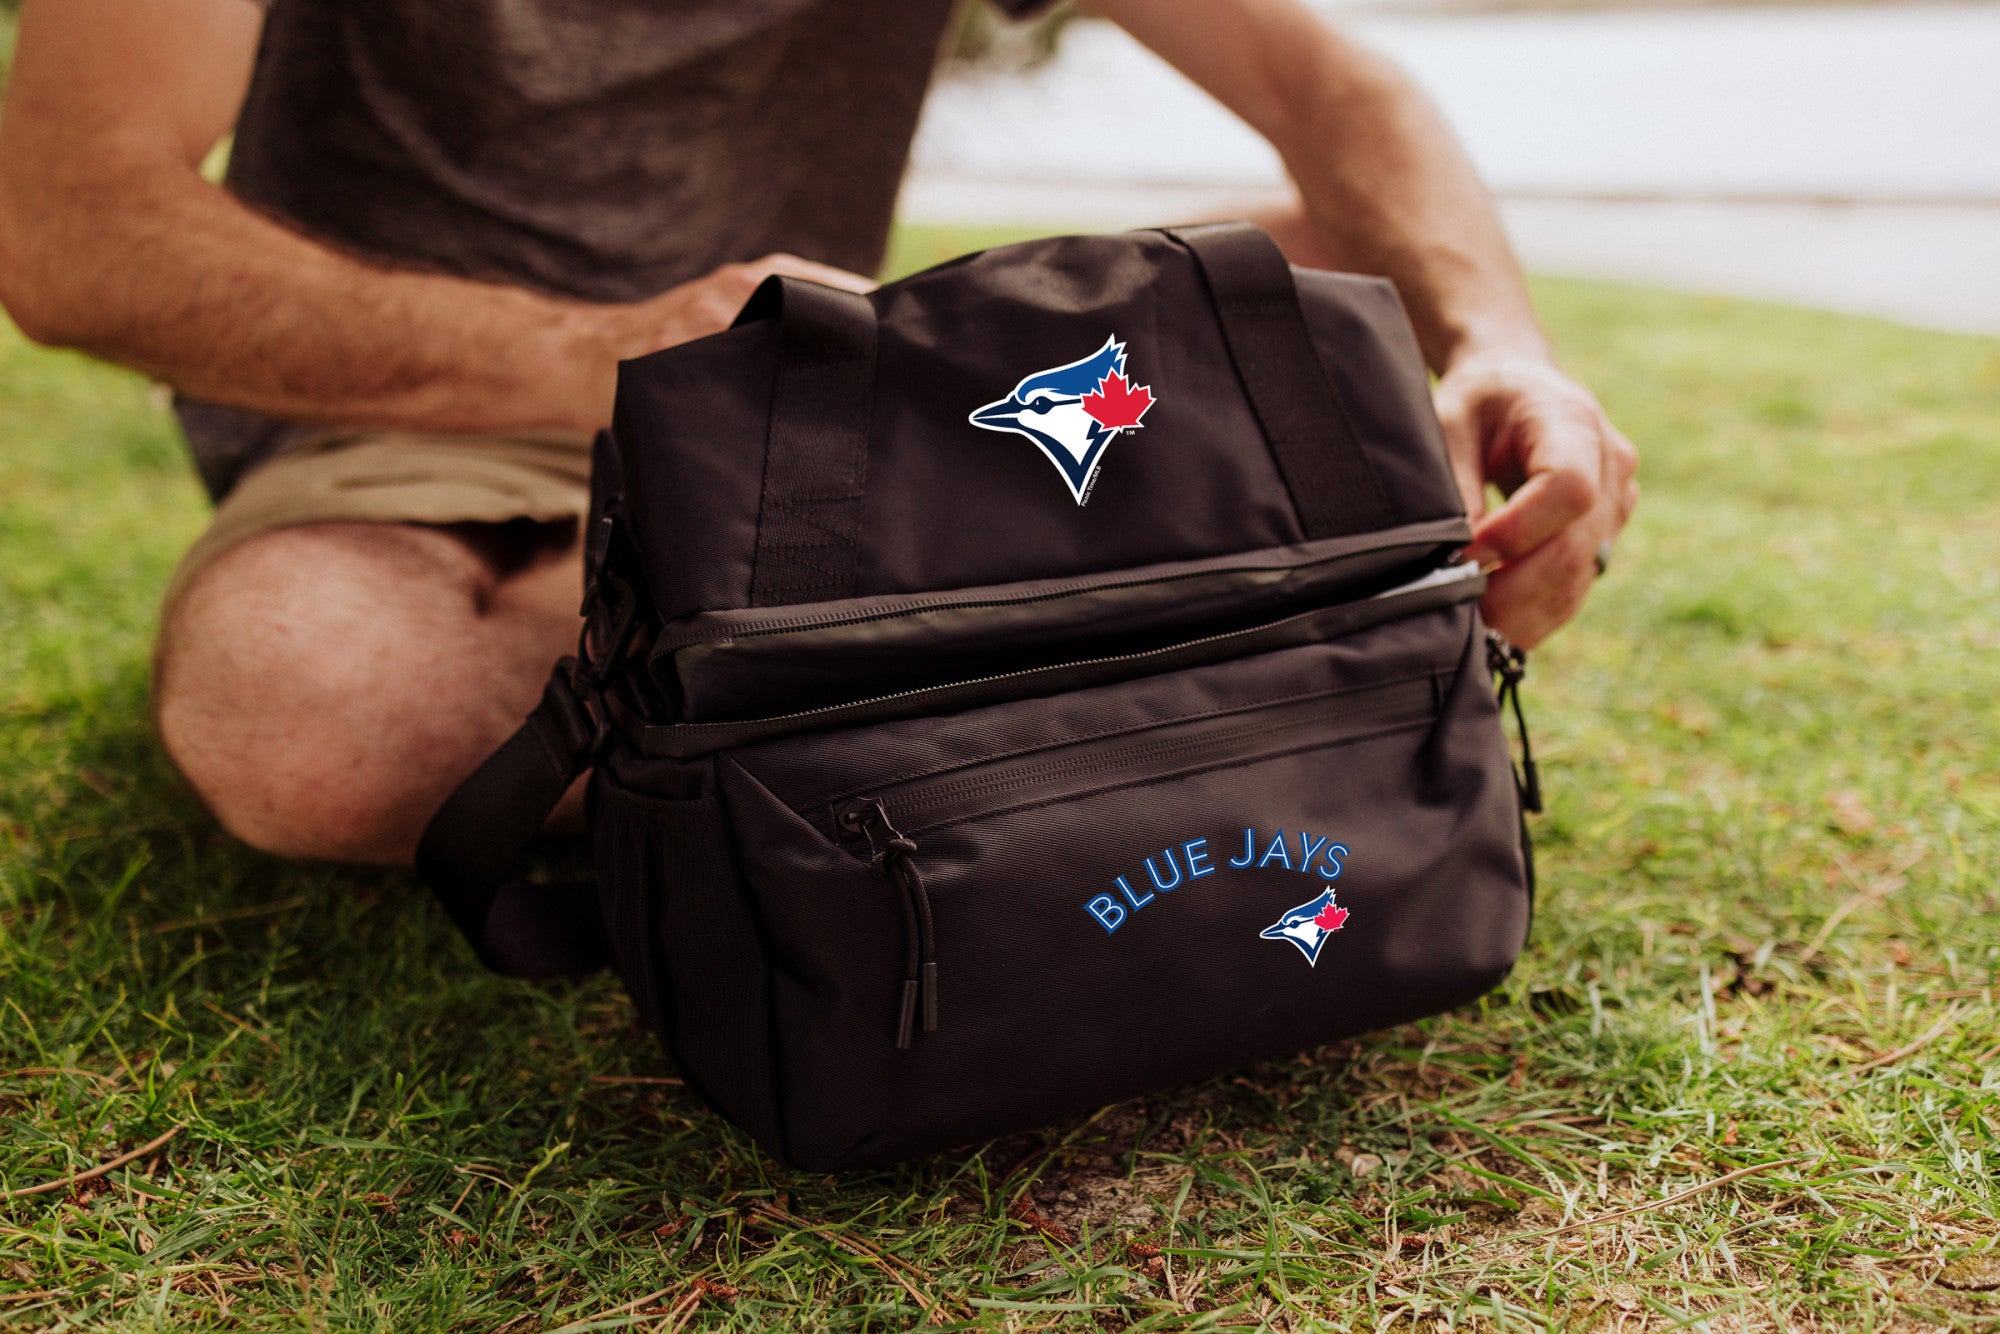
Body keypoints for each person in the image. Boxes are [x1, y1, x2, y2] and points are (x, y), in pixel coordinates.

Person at [0, 0, 1638, 868]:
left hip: (826, 388)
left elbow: (1325, 76)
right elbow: (70, 226)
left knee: (1346, 264)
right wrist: (601, 354)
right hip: (440, 422)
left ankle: (878, 625)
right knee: (317, 715)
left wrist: (1508, 345)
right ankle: (1071, 616)